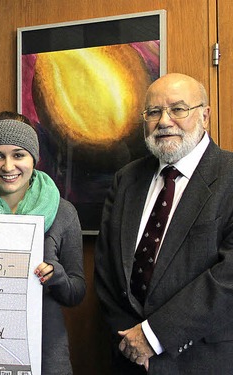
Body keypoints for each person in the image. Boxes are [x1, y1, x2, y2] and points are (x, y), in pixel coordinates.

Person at [94, 73, 233, 374]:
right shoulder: (127, 179)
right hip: (127, 358)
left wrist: (153, 337)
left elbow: (229, 278)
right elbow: (106, 270)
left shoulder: (230, 177)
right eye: (154, 112)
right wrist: (131, 341)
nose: (164, 121)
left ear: (205, 115)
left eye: (178, 109)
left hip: (200, 361)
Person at [0, 114, 86, 375]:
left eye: (19, 155)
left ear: (34, 158)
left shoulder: (63, 212)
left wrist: (57, 275)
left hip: (45, 349)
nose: (8, 166)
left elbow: (76, 292)